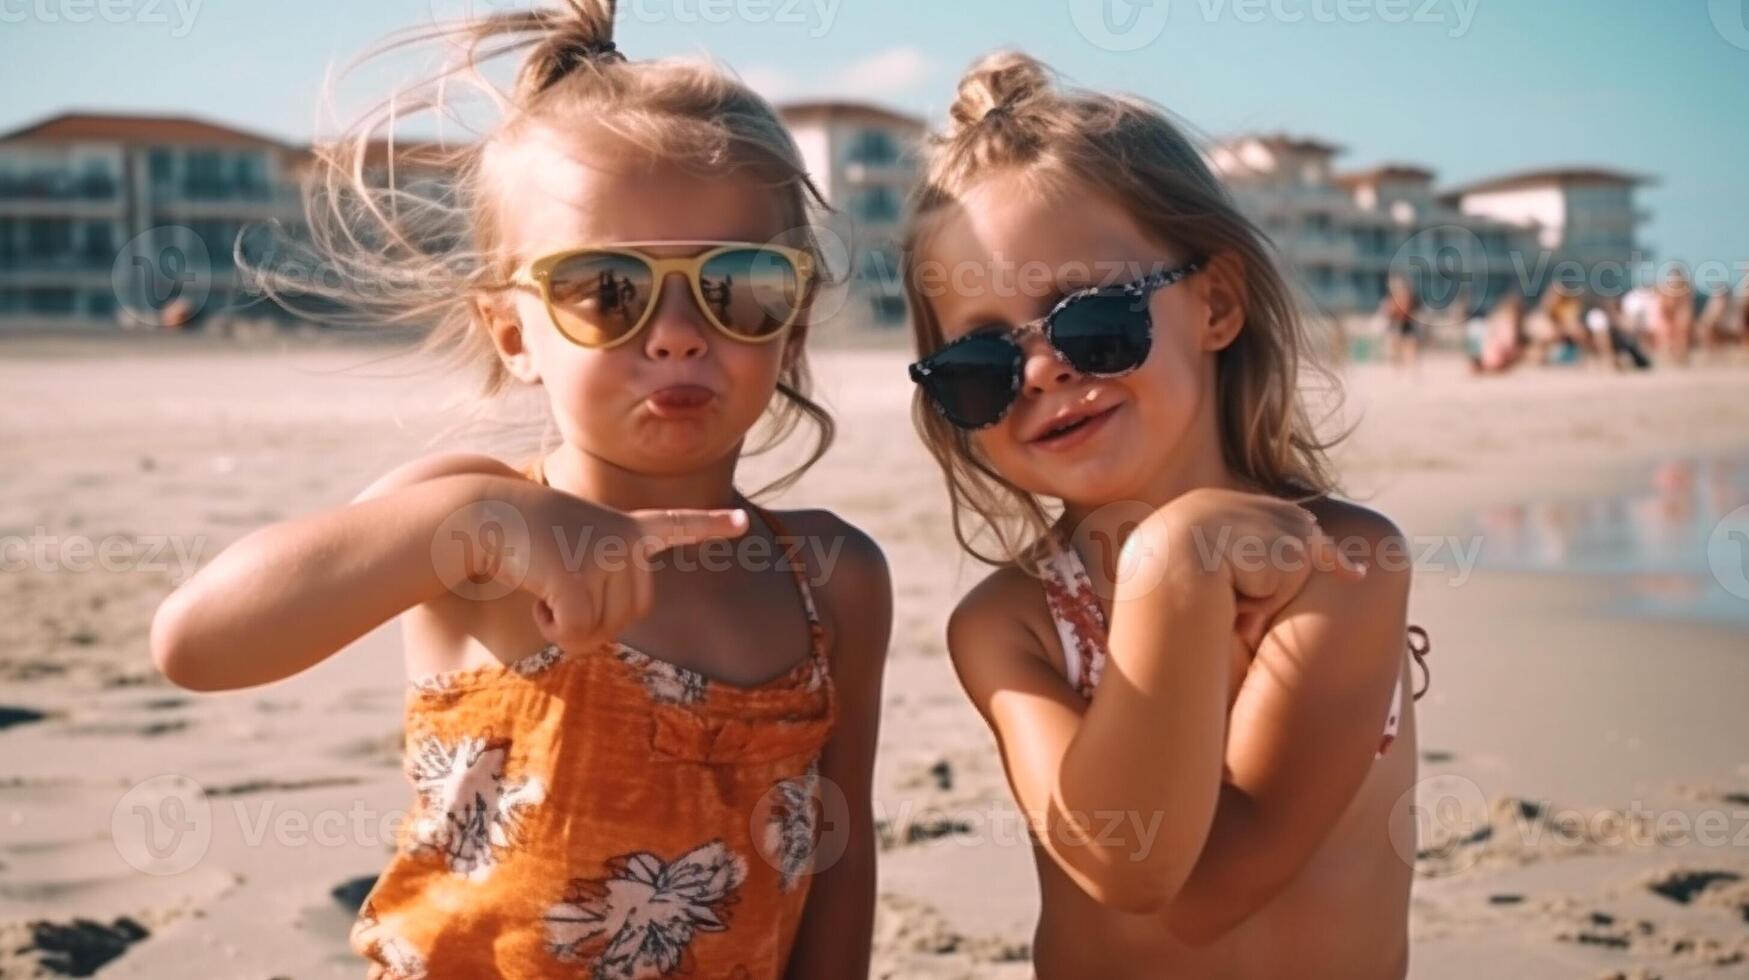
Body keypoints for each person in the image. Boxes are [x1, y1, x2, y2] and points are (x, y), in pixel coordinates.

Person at [148, 3, 891, 977]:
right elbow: (198, 641)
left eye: (739, 284)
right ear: (511, 331)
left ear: (790, 326)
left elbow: (839, 848)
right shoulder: (473, 515)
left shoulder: (830, 576)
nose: (676, 331)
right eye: (607, 289)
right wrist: (481, 525)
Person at [901, 52, 1427, 978]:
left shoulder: (1344, 563)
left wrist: (1173, 562)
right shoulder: (1008, 625)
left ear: (1215, 303)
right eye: (980, 362)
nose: (1041, 371)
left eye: (1090, 321)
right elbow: (1129, 866)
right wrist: (1170, 572)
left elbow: (1213, 891)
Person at [1379, 274, 1422, 369]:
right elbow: (1388, 313)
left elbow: (1415, 311)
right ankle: (1399, 365)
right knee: (1396, 346)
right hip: (1397, 324)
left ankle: (1409, 365)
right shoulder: (1393, 300)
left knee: (1409, 346)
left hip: (1406, 324)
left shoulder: (1409, 299)